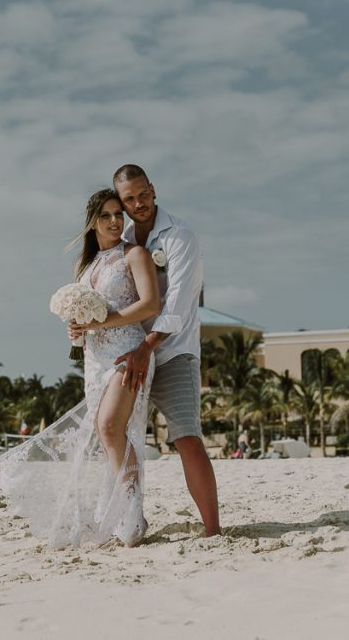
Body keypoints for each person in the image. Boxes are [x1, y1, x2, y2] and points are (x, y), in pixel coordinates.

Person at [0, 189, 160, 547]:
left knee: (110, 426)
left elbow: (150, 305)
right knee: (106, 436)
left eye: (119, 214)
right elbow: (84, 318)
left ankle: (134, 511)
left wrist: (101, 323)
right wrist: (76, 328)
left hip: (128, 352)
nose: (116, 221)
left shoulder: (135, 255)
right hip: (95, 358)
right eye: (106, 216)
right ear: (92, 222)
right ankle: (120, 511)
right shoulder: (84, 267)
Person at [110, 164, 221, 536]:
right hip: (128, 352)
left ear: (153, 190)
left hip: (172, 350)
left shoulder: (181, 236)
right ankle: (129, 520)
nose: (138, 203)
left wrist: (148, 346)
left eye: (143, 194)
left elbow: (179, 303)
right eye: (129, 198)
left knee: (186, 436)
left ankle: (213, 529)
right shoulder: (119, 235)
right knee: (111, 432)